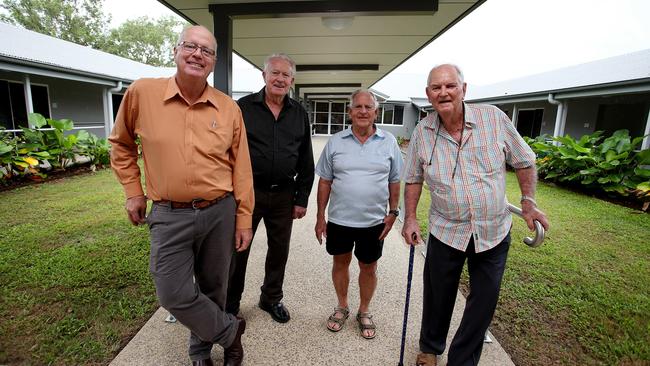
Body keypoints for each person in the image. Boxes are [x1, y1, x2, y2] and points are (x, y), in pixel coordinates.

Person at [109, 25, 253, 366]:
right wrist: (133, 191)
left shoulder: (228, 108)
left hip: (220, 210)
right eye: (191, 46)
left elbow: (242, 168)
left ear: (214, 62)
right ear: (176, 50)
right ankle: (230, 332)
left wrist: (243, 218)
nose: (197, 55)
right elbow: (121, 144)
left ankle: (201, 352)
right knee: (171, 292)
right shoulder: (142, 93)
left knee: (214, 288)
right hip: (167, 213)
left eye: (207, 51)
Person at [401, 64, 550, 366]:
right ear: (428, 95)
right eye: (435, 87)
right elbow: (414, 177)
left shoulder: (493, 118)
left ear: (464, 89)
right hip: (446, 230)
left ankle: (462, 360)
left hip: (493, 231)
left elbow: (524, 160)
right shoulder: (422, 132)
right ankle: (430, 347)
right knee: (438, 297)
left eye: (450, 86)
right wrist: (411, 218)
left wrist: (529, 201)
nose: (443, 92)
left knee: (483, 303)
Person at [226, 53, 314, 323]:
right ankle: (230, 304)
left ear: (292, 80)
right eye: (274, 73)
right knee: (239, 248)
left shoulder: (299, 113)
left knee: (279, 250)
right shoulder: (243, 108)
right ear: (263, 76)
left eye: (285, 74)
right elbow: (228, 152)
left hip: (284, 194)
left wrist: (302, 198)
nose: (279, 78)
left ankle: (271, 298)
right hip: (248, 192)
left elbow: (306, 159)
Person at [314, 89, 403, 340]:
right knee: (340, 263)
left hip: (373, 221)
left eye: (369, 107)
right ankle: (342, 306)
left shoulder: (389, 142)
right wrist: (321, 217)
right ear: (350, 112)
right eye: (358, 107)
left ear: (376, 112)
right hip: (340, 220)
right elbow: (324, 181)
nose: (363, 111)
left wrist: (394, 211)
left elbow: (395, 180)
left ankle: (364, 310)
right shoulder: (336, 141)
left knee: (369, 266)